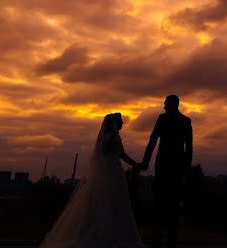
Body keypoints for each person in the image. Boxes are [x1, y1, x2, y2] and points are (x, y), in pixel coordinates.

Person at [40, 113, 145, 248]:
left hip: (116, 174)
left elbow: (122, 155)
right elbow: (102, 155)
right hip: (108, 174)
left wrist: (136, 164)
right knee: (105, 204)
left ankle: (113, 235)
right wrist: (110, 167)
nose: (123, 123)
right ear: (114, 123)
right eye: (121, 121)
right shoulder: (108, 138)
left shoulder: (116, 137)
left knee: (116, 205)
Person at [141, 95, 193, 248]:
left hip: (164, 165)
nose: (163, 106)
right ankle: (170, 238)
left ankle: (160, 238)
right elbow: (188, 148)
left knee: (161, 202)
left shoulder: (163, 119)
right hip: (176, 166)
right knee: (173, 203)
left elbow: (152, 140)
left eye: (165, 103)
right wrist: (187, 167)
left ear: (172, 104)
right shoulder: (185, 121)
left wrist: (146, 161)